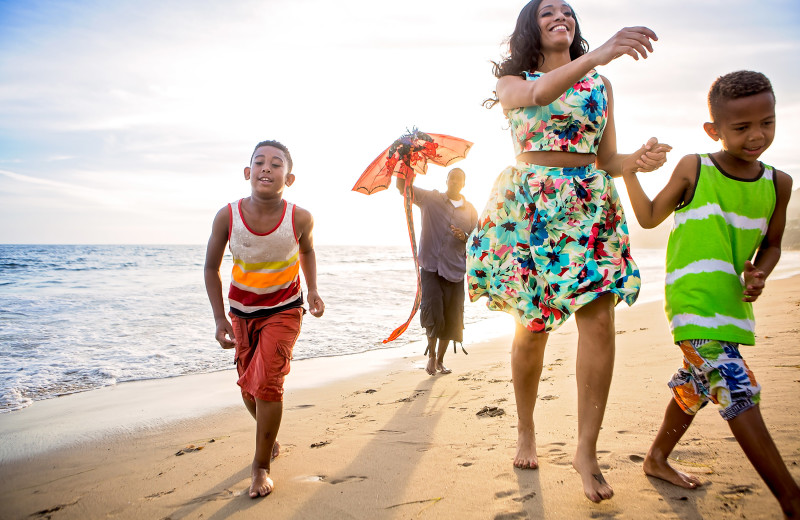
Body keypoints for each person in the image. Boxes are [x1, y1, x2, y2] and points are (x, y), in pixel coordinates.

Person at [466, 0, 671, 502]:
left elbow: (607, 158)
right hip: (530, 208)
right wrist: (599, 54)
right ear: (530, 29)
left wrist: (636, 162)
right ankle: (526, 427)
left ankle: (586, 449)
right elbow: (539, 93)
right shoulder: (513, 81)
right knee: (531, 331)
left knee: (599, 319)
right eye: (547, 12)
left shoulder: (599, 85)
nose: (561, 16)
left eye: (567, 11)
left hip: (588, 204)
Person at [620, 70, 799, 517]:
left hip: (731, 303)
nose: (757, 135)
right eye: (741, 128)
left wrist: (761, 272)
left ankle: (656, 458)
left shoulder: (778, 182)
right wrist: (629, 173)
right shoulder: (694, 167)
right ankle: (792, 500)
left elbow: (772, 244)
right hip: (693, 299)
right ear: (713, 130)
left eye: (768, 123)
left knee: (696, 383)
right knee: (736, 386)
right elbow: (647, 218)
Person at [204, 139, 324, 499]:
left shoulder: (299, 217)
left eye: (276, 164)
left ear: (289, 178)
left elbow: (308, 250)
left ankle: (261, 468)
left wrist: (313, 289)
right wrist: (219, 318)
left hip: (285, 309)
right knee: (248, 386)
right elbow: (211, 268)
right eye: (259, 162)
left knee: (268, 382)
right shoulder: (227, 215)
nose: (267, 168)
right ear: (248, 173)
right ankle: (268, 435)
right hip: (241, 313)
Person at [397, 167, 478, 375]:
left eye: (459, 179)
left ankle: (441, 360)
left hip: (456, 270)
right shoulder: (430, 199)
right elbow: (403, 188)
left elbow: (479, 241)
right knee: (433, 315)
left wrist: (465, 237)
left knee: (451, 320)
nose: (455, 182)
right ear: (447, 180)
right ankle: (431, 356)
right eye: (452, 178)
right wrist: (405, 164)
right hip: (431, 268)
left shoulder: (470, 210)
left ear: (464, 183)